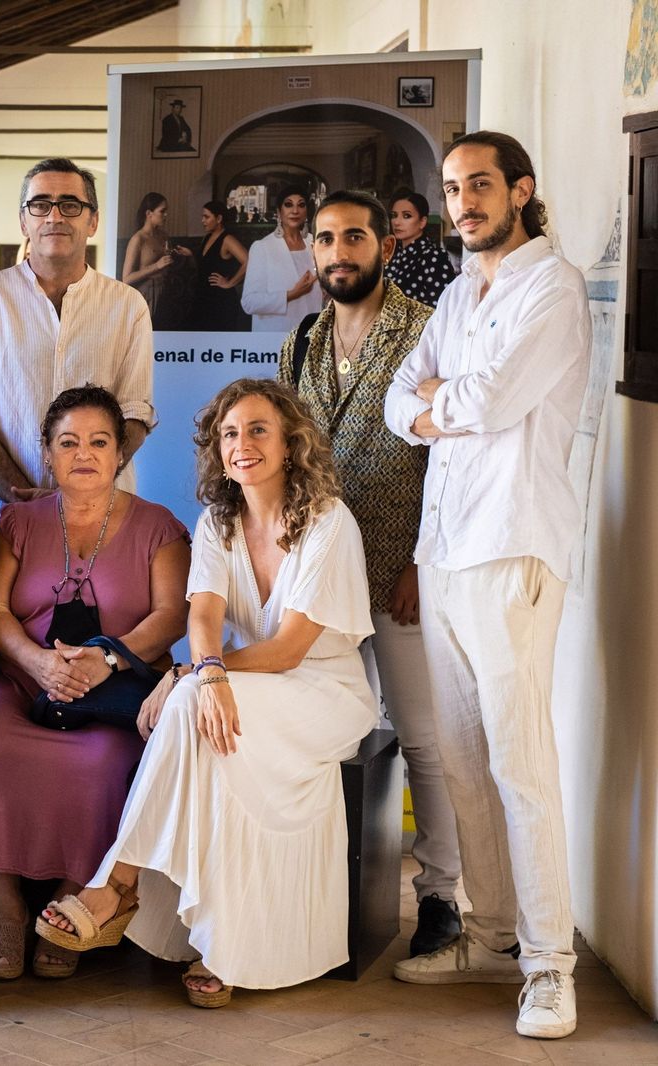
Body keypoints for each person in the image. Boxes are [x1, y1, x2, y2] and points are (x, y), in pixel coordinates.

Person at [34, 378, 377, 1007]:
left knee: (193, 701)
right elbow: (202, 617)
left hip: (324, 689)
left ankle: (115, 884)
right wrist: (203, 668)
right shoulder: (219, 521)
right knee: (201, 715)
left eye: (257, 430)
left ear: (289, 441)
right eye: (228, 434)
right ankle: (221, 944)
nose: (241, 444)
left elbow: (292, 648)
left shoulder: (328, 522)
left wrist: (198, 674)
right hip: (248, 682)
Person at [384, 131, 591, 1040]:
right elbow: (402, 401)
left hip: (513, 549)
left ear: (521, 191)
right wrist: (438, 405)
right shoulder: (462, 291)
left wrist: (440, 405)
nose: (464, 201)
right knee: (464, 767)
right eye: (453, 188)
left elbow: (494, 402)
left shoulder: (554, 286)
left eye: (479, 186)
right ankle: (495, 934)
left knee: (520, 768)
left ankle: (551, 969)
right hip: (444, 552)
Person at [277, 189, 463, 959]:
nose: (338, 252)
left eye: (354, 236)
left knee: (424, 738)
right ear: (313, 253)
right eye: (325, 240)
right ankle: (321, 894)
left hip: (400, 573)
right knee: (328, 732)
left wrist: (421, 561)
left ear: (384, 246)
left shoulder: (427, 330)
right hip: (323, 579)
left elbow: (453, 459)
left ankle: (441, 898)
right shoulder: (301, 340)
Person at [0, 386, 190, 981]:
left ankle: (70, 901)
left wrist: (107, 659)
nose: (84, 454)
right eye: (68, 442)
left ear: (120, 453)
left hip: (116, 694)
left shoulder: (159, 525)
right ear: (47, 452)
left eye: (99, 442)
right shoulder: (19, 521)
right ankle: (7, 911)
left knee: (106, 760)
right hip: (25, 684)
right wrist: (36, 663)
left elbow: (172, 615)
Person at [0, 158, 155, 528]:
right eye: (40, 205)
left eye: (70, 205)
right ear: (24, 221)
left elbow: (134, 415)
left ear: (93, 221)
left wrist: (81, 495)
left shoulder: (127, 305)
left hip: (103, 515)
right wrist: (23, 500)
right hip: (5, 517)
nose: (54, 216)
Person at [241, 186, 322, 333]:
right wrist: (291, 294)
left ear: (306, 212)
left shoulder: (316, 244)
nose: (295, 210)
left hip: (311, 335)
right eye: (288, 204)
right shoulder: (263, 247)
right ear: (279, 212)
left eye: (301, 205)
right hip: (275, 335)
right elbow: (249, 302)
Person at [121, 192, 193, 327]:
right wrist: (156, 266)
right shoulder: (138, 239)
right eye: (162, 211)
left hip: (166, 292)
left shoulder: (164, 235)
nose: (166, 215)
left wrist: (182, 255)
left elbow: (167, 263)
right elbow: (126, 279)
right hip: (147, 295)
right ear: (149, 213)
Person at [385, 189, 459, 308]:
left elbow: (441, 311)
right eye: (394, 216)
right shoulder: (391, 253)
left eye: (406, 216)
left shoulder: (434, 257)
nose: (397, 222)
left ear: (422, 222)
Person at [195, 201, 249, 331]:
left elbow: (249, 261)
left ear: (219, 218)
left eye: (206, 217)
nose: (203, 221)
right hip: (204, 299)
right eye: (202, 217)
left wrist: (230, 283)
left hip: (221, 301)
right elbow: (205, 265)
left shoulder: (227, 239)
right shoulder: (207, 237)